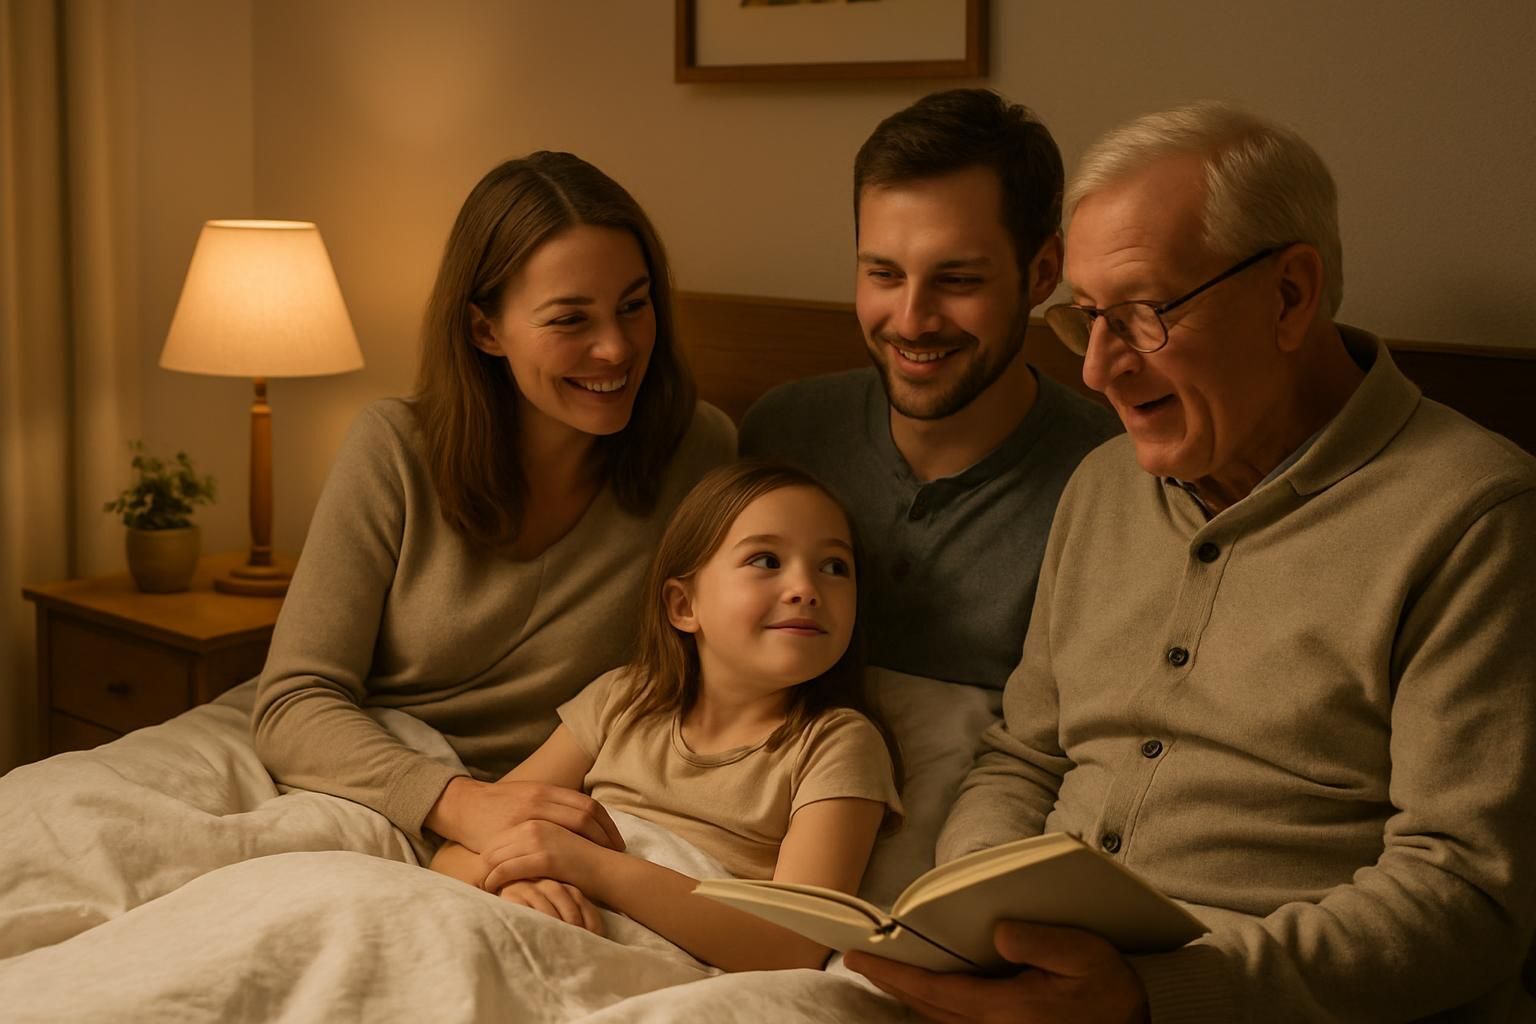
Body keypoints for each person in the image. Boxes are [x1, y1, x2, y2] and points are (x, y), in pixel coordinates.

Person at [846, 102, 1536, 1022]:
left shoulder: (1475, 516)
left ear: (1289, 295)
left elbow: (1467, 897)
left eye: (1139, 317)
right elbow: (1024, 759)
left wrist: (1150, 997)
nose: (1096, 371)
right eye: (1084, 318)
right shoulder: (1102, 485)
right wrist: (970, 924)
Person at [252, 152, 737, 862]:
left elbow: (721, 686)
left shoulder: (700, 454)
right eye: (571, 319)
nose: (615, 347)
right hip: (373, 777)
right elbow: (293, 702)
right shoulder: (394, 448)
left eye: (634, 306)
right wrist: (461, 805)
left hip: (558, 800)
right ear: (485, 330)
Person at [429, 460, 903, 973]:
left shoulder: (838, 744)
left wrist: (591, 866)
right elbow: (457, 850)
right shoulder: (623, 699)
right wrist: (517, 876)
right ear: (683, 606)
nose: (806, 588)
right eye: (766, 560)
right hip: (562, 928)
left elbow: (795, 945)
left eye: (834, 567)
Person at [740, 88, 1119, 693]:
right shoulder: (781, 434)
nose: (913, 320)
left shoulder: (1112, 482)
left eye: (959, 279)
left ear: (1044, 273)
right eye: (884, 274)